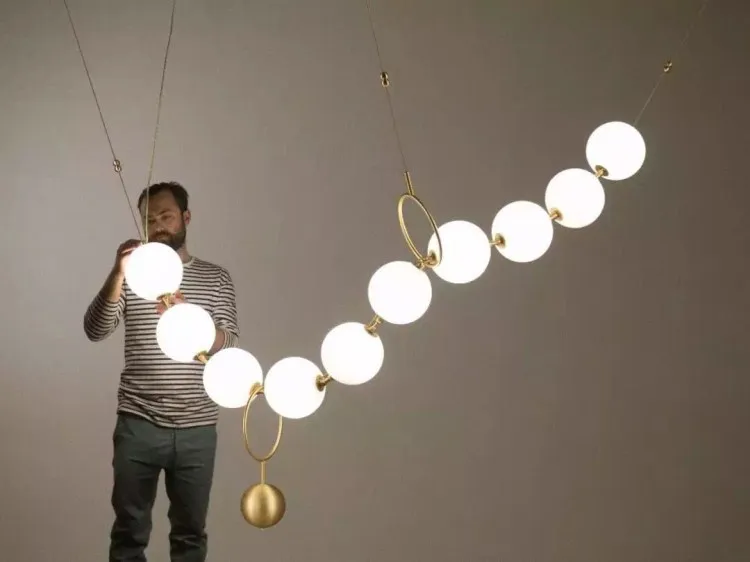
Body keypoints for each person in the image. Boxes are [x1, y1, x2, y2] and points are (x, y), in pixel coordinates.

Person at [83, 181, 239, 562]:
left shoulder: (216, 278)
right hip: (138, 423)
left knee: (190, 535)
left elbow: (230, 347)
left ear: (186, 217)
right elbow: (95, 329)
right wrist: (118, 274)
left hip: (197, 427)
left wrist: (192, 320)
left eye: (166, 216)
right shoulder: (134, 279)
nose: (158, 226)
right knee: (129, 533)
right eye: (149, 220)